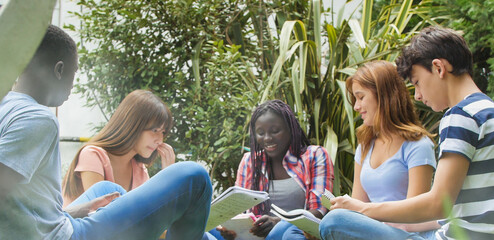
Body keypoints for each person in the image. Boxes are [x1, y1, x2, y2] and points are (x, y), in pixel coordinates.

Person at [0, 24, 212, 240]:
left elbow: (16, 209)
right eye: (74, 73)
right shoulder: (38, 119)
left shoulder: (7, 106)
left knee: (110, 190)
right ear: (59, 70)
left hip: (61, 222)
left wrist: (76, 210)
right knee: (195, 178)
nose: (72, 85)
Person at [319, 26, 494, 240]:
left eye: (417, 82)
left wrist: (360, 209)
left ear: (438, 68)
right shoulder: (487, 111)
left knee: (334, 222)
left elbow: (439, 204)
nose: (418, 96)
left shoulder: (460, 116)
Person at [319, 60, 440, 240]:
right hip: (375, 231)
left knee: (335, 221)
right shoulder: (365, 146)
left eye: (361, 97)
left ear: (383, 96)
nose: (356, 107)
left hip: (410, 235)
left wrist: (359, 214)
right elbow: (357, 206)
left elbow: (415, 216)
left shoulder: (418, 145)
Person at [218, 99, 334, 240]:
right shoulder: (250, 161)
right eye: (260, 133)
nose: (267, 138)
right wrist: (231, 229)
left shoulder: (315, 155)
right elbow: (238, 210)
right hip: (255, 236)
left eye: (275, 131)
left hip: (295, 233)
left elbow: (319, 211)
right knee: (207, 231)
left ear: (291, 129)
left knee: (285, 231)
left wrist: (278, 222)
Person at [62, 89, 176, 207]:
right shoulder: (93, 155)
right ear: (132, 125)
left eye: (163, 132)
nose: (160, 140)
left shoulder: (140, 171)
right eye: (155, 130)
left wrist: (167, 176)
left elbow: (152, 215)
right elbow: (101, 216)